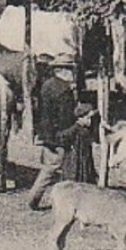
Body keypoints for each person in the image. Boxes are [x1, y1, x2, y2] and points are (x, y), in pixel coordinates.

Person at [27, 55, 88, 210]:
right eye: (70, 69)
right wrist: (78, 122)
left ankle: (36, 198)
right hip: (59, 136)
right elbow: (65, 118)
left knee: (49, 167)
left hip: (47, 134)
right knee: (54, 168)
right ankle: (34, 199)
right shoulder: (64, 90)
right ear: (61, 70)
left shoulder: (47, 85)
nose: (73, 72)